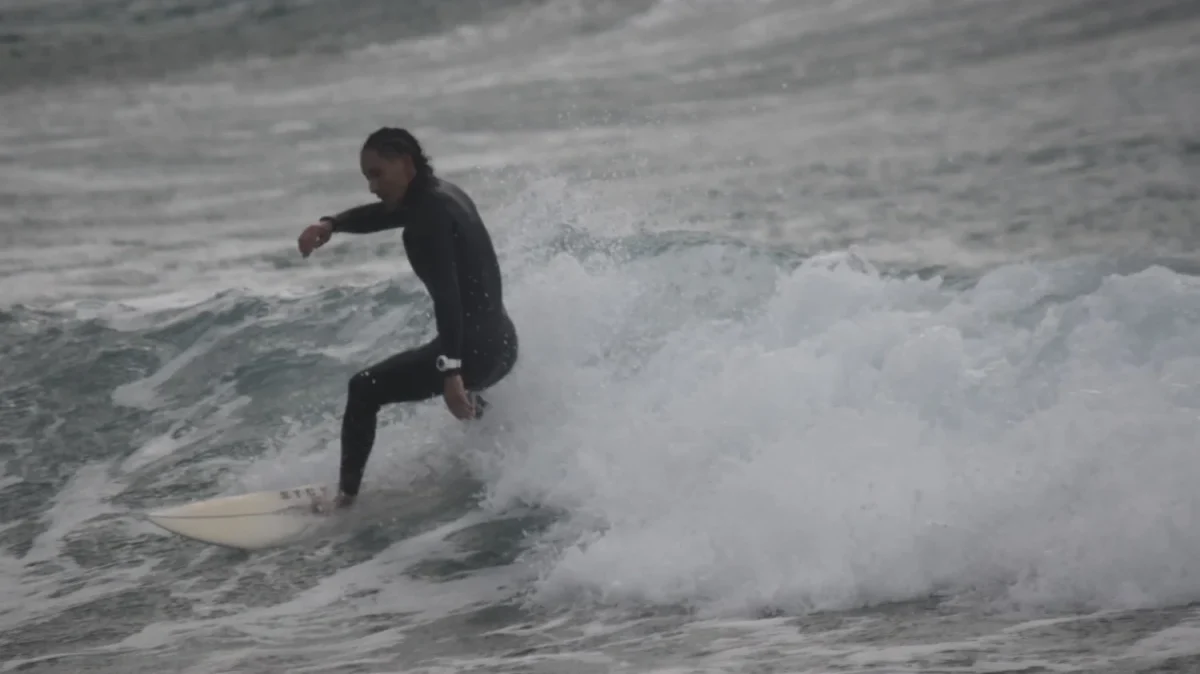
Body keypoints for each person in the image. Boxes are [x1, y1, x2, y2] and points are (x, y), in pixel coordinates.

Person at [296, 127, 518, 509]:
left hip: (473, 350)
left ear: (406, 164)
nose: (371, 186)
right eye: (367, 176)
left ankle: (345, 501)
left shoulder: (428, 217)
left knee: (364, 389)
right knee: (468, 397)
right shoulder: (444, 195)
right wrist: (332, 224)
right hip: (502, 342)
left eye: (377, 174)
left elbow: (447, 299)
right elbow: (382, 216)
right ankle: (511, 453)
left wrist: (452, 372)